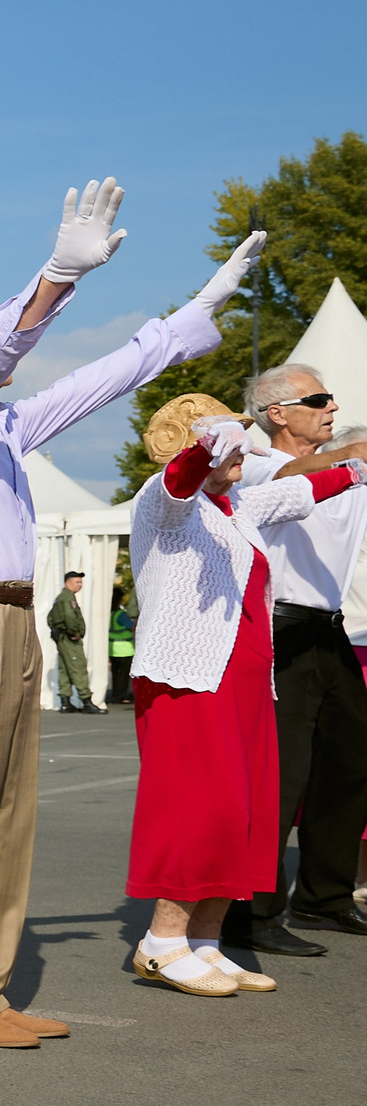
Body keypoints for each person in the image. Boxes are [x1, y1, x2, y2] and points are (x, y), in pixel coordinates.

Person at [0, 185, 263, 1048]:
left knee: (8, 816)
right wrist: (56, 278)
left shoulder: (5, 428)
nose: (2, 340)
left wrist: (196, 313)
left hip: (12, 620)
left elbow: (104, 379)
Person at [124, 395, 363, 993]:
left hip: (246, 680)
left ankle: (205, 941)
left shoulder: (236, 506)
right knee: (196, 806)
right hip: (187, 678)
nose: (243, 453)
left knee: (242, 811)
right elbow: (181, 477)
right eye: (230, 443)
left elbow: (306, 490)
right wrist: (216, 442)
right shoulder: (163, 499)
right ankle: (162, 942)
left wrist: (358, 468)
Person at [227, 364, 367, 948]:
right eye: (319, 398)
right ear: (278, 413)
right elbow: (292, 474)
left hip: (329, 629)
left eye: (332, 398)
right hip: (276, 627)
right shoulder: (257, 462)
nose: (332, 405)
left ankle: (324, 897)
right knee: (280, 775)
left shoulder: (347, 469)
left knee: (349, 762)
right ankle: (253, 915)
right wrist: (353, 456)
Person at [48, 571, 100, 711]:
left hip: (62, 637)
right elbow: (69, 616)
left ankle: (65, 701)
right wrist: (74, 631)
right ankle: (86, 700)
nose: (80, 585)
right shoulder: (68, 598)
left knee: (65, 668)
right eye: (77, 582)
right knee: (78, 667)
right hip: (69, 638)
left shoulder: (61, 597)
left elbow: (50, 618)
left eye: (80, 582)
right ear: (67, 583)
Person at [107, 588, 136, 703]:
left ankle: (116, 694)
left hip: (112, 647)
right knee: (123, 674)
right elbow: (131, 627)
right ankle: (121, 696)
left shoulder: (109, 613)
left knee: (115, 673)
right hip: (124, 648)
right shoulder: (120, 614)